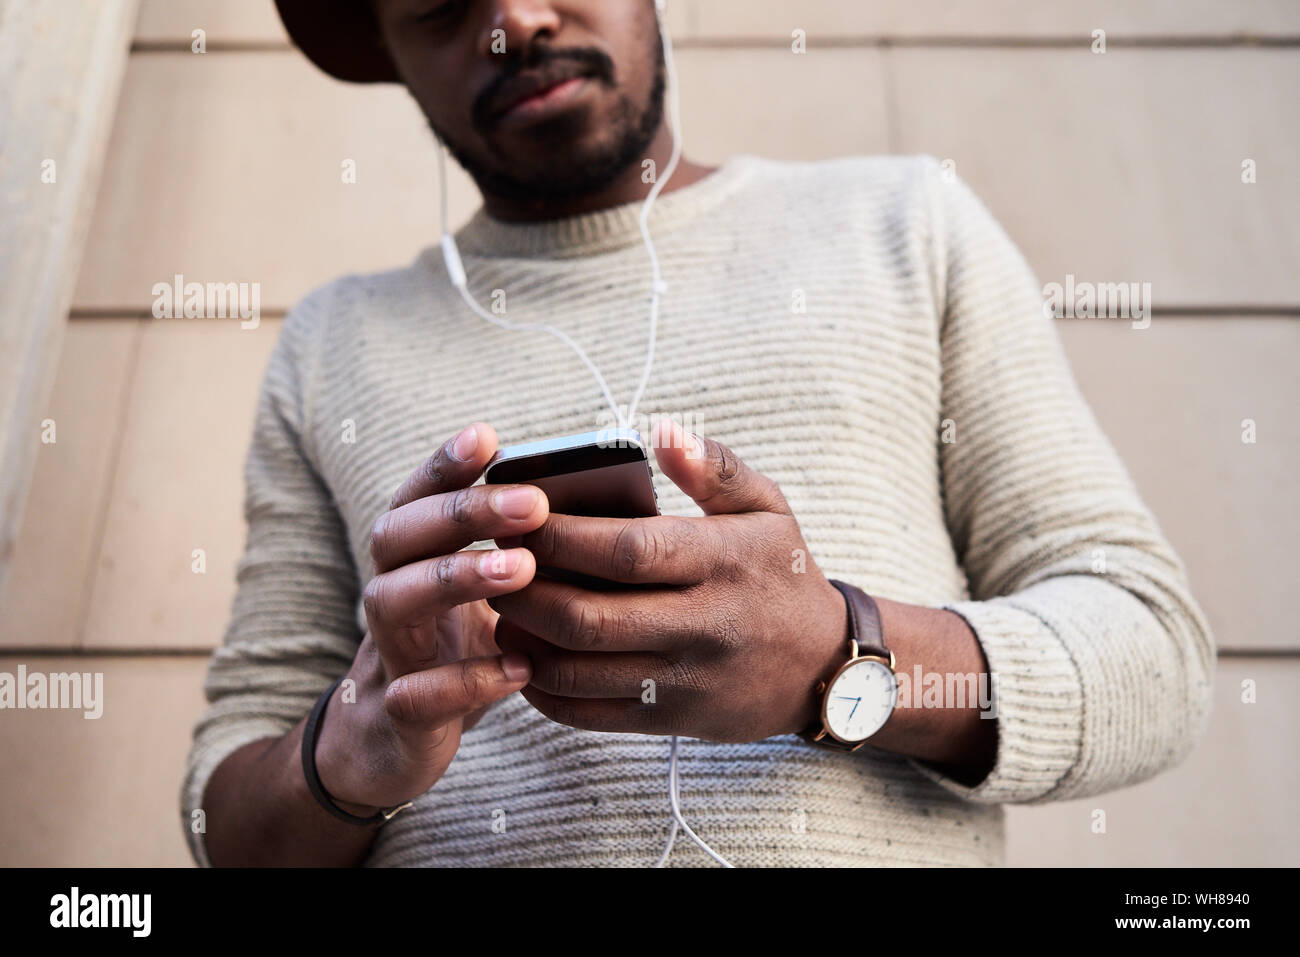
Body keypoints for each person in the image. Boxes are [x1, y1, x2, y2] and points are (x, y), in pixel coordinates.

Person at [182, 0, 1215, 867]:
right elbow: (222, 812)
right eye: (444, 6)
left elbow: (1153, 655)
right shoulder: (331, 342)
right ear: (390, 53)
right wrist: (349, 749)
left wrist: (836, 656)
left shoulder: (903, 224)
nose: (514, 21)